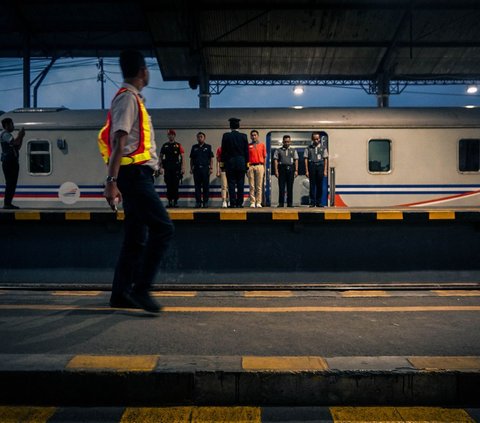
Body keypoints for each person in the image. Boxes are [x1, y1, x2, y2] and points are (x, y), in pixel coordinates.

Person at [99, 49, 174, 313]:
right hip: (134, 177)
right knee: (164, 228)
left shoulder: (133, 99)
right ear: (143, 71)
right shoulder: (128, 99)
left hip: (137, 175)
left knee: (135, 237)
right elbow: (118, 143)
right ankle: (141, 288)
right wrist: (111, 181)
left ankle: (120, 293)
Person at [221, 117, 249, 208]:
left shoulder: (226, 136)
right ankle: (239, 203)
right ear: (238, 126)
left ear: (230, 126)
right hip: (241, 163)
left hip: (230, 163)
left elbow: (223, 151)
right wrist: (247, 165)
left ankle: (232, 203)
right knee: (241, 184)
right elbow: (246, 152)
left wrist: (222, 165)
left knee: (231, 183)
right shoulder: (244, 136)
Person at [1, 118, 25, 209]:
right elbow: (15, 142)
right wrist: (20, 135)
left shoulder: (8, 135)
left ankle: (8, 203)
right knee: (10, 183)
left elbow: (17, 147)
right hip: (9, 162)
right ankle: (7, 203)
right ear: (7, 125)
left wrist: (21, 137)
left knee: (12, 183)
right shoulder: (5, 134)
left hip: (12, 162)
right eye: (12, 124)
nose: (13, 126)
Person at [159, 129, 185, 208]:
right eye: (169, 134)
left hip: (176, 168)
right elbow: (160, 157)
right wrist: (160, 167)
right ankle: (170, 201)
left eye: (172, 134)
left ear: (174, 135)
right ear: (168, 136)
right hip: (167, 168)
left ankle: (176, 201)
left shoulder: (178, 145)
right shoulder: (165, 145)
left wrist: (183, 168)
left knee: (175, 185)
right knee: (169, 185)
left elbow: (182, 157)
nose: (171, 136)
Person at [304, 131, 329, 207]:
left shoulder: (323, 148)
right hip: (312, 166)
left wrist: (325, 170)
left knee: (319, 185)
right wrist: (307, 170)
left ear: (319, 139)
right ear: (312, 139)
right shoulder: (308, 148)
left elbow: (325, 159)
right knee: (312, 185)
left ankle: (319, 202)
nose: (316, 141)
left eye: (317, 139)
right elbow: (306, 159)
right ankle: (312, 202)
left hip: (320, 167)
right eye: (314, 139)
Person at [273, 135, 298, 207]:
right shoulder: (278, 150)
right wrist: (276, 171)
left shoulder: (294, 150)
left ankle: (290, 203)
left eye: (288, 142)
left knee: (290, 187)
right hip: (281, 169)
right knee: (281, 187)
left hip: (291, 169)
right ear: (283, 142)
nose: (286, 143)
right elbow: (275, 160)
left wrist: (296, 170)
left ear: (290, 142)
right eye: (285, 142)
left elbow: (296, 160)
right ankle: (281, 203)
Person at [190, 132, 213, 208]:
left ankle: (205, 202)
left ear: (204, 138)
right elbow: (192, 159)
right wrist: (191, 168)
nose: (200, 138)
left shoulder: (208, 147)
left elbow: (211, 159)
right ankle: (198, 202)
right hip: (196, 169)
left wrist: (211, 168)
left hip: (205, 169)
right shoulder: (194, 147)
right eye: (198, 137)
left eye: (201, 137)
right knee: (197, 187)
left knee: (206, 186)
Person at [247, 129, 267, 208]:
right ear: (250, 137)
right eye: (252, 135)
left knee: (259, 185)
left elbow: (264, 157)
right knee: (251, 185)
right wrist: (247, 168)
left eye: (255, 135)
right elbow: (247, 158)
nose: (254, 136)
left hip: (260, 165)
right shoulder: (248, 146)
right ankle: (252, 202)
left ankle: (258, 202)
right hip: (251, 166)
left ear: (258, 136)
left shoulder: (262, 145)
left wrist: (264, 168)